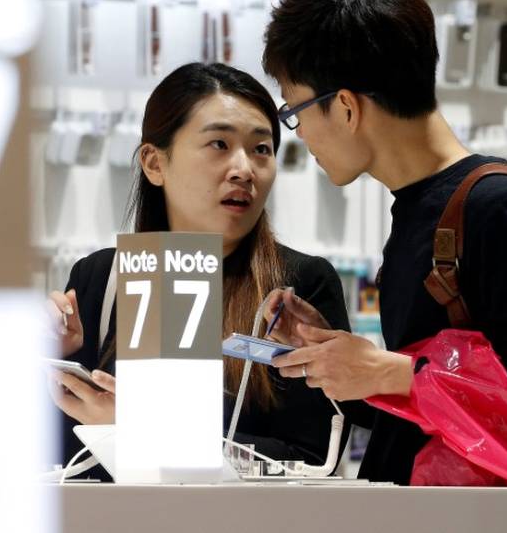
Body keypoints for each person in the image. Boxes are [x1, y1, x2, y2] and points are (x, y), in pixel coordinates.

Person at [260, 0, 507, 484]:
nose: (300, 135)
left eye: (295, 110)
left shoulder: (493, 208)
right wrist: (345, 360)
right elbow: (429, 418)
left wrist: (390, 372)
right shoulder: (418, 209)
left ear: (345, 107)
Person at [47, 62, 352, 475]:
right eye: (219, 145)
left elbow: (313, 461)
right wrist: (54, 363)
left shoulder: (298, 285)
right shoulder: (101, 279)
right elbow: (68, 463)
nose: (244, 169)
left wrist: (141, 432)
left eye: (261, 149)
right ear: (154, 163)